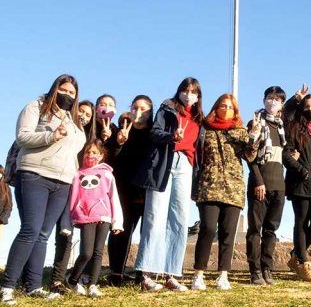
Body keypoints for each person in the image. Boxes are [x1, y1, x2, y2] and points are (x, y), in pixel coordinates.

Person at [0, 74, 86, 305]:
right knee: (30, 230)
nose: (67, 95)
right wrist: (51, 135)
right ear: (54, 88)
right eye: (64, 90)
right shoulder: (36, 107)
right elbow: (22, 137)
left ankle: (33, 286)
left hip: (63, 181)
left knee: (43, 235)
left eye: (72, 93)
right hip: (35, 174)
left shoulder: (72, 118)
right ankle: (7, 286)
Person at [133, 77, 203, 292]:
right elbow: (154, 132)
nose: (188, 94)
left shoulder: (199, 117)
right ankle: (146, 274)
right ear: (179, 91)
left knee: (179, 219)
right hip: (165, 161)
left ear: (198, 96)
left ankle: (170, 274)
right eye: (185, 90)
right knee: (155, 215)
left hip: (186, 164)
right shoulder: (167, 108)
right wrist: (171, 136)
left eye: (193, 91)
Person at [191, 94, 258, 291]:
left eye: (230, 107)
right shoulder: (205, 129)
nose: (226, 109)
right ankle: (199, 274)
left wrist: (253, 136)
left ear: (235, 111)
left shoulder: (239, 131)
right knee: (208, 229)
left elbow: (250, 155)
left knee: (228, 233)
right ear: (216, 107)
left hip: (233, 189)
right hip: (209, 186)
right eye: (223, 105)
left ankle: (223, 275)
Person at [66, 140, 123, 297]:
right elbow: (73, 198)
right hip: (85, 216)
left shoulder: (107, 174)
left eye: (94, 152)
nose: (90, 155)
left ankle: (92, 284)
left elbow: (114, 198)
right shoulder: (78, 175)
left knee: (98, 252)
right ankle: (72, 280)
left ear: (101, 155)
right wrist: (70, 220)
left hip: (104, 217)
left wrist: (117, 221)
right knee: (86, 253)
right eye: (87, 152)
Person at [107, 95, 153, 287]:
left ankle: (143, 273)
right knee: (121, 231)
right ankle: (116, 272)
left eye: (144, 109)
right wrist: (119, 143)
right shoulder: (123, 131)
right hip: (124, 189)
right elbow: (112, 158)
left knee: (147, 233)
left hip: (147, 191)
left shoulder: (153, 133)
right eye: (135, 108)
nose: (138, 112)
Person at [49, 99, 94, 295]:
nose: (83, 116)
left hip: (75, 188)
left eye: (88, 115)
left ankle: (57, 280)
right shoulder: (63, 126)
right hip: (55, 181)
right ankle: (28, 274)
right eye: (81, 111)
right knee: (41, 231)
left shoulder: (86, 138)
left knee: (65, 235)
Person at [246, 86, 288, 286]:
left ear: (281, 104)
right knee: (255, 229)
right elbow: (250, 156)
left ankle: (267, 268)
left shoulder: (281, 127)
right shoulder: (255, 123)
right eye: (269, 98)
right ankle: (255, 271)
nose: (273, 102)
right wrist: (258, 181)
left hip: (279, 184)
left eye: (277, 99)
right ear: (264, 100)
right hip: (259, 184)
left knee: (271, 230)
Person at [283, 94, 311, 283]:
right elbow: (286, 154)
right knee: (301, 221)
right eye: (307, 106)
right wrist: (301, 170)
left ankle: (295, 253)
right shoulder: (294, 127)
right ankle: (302, 261)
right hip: (300, 181)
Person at [93, 94, 120, 159]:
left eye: (111, 105)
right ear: (96, 109)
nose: (107, 108)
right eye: (102, 105)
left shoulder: (115, 130)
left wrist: (120, 143)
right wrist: (100, 138)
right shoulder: (90, 125)